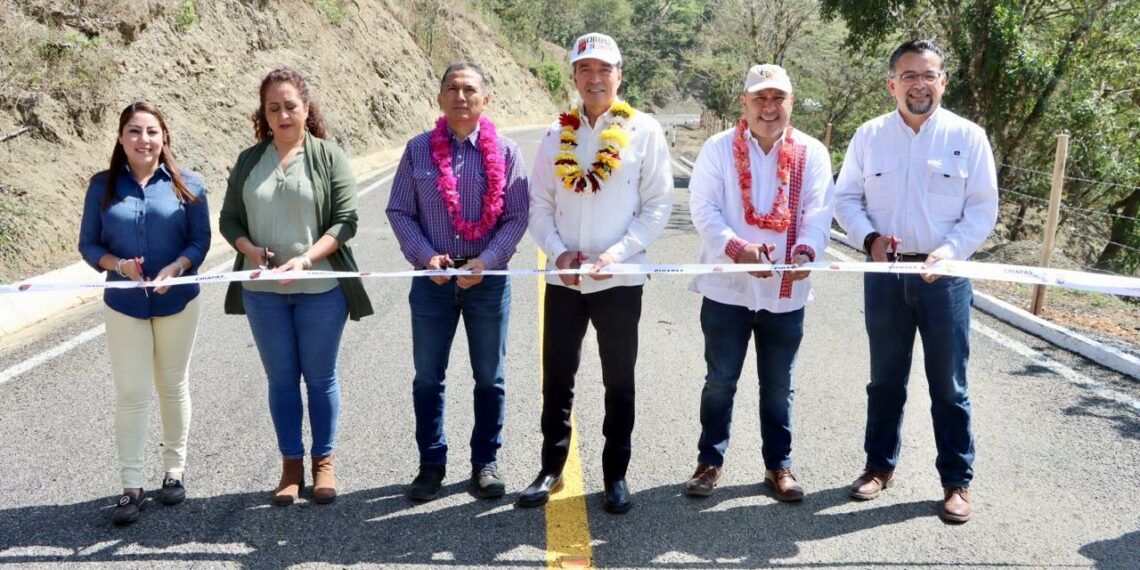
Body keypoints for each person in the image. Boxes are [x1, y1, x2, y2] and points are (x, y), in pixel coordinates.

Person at [834, 39, 998, 523]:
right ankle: (878, 467)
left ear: (943, 82)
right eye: (908, 75)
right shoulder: (868, 136)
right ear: (892, 84)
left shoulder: (968, 136)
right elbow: (846, 199)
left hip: (944, 278)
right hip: (885, 274)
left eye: (928, 75)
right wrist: (869, 240)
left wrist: (948, 252)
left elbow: (982, 209)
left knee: (949, 385)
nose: (919, 84)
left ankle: (956, 482)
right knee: (885, 380)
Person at [521, 32, 674, 514]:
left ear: (619, 75)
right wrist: (557, 251)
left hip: (619, 281)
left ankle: (616, 474)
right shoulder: (554, 133)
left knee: (618, 379)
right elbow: (539, 204)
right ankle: (551, 468)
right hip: (564, 281)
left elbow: (656, 207)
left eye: (604, 69)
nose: (594, 78)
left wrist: (619, 255)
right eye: (584, 70)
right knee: (557, 378)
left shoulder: (644, 131)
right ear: (573, 78)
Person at [219, 67, 373, 507]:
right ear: (263, 114)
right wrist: (250, 249)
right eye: (274, 107)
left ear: (307, 108)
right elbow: (229, 219)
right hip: (262, 293)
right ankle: (290, 467)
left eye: (290, 105)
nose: (283, 114)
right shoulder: (249, 160)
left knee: (320, 378)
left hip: (321, 290)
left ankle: (323, 463)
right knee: (282, 381)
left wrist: (305, 259)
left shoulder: (329, 157)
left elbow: (347, 221)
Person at [684, 64, 835, 501]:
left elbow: (818, 213)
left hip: (785, 293)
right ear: (744, 103)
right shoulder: (717, 149)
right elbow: (704, 209)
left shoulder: (811, 153)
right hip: (727, 289)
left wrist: (808, 249)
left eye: (778, 99)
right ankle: (709, 462)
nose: (769, 108)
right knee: (720, 380)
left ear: (790, 102)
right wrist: (736, 249)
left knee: (778, 384)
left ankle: (779, 466)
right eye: (760, 99)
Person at [386, 62, 529, 502]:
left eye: (470, 89)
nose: (461, 96)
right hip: (432, 282)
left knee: (490, 377)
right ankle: (431, 464)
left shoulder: (505, 152)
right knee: (428, 377)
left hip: (486, 281)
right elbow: (399, 211)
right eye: (452, 88)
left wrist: (486, 261)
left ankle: (485, 462)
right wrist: (426, 257)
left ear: (485, 100)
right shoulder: (417, 150)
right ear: (439, 99)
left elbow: (517, 216)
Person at [78, 101, 211, 525]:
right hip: (124, 305)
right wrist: (118, 267)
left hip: (177, 301)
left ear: (164, 137)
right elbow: (89, 245)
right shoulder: (102, 187)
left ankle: (174, 471)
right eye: (134, 131)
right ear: (121, 138)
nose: (143, 139)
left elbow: (200, 239)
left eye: (152, 131)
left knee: (172, 384)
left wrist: (179, 266)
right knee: (132, 393)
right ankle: (130, 486)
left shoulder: (188, 184)